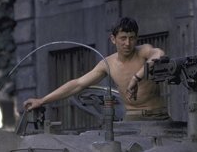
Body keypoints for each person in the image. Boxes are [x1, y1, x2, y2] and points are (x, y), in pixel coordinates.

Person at [23, 16, 167, 121]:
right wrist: (42, 101)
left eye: (132, 38)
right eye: (123, 38)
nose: (127, 43)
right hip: (131, 119)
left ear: (136, 38)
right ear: (113, 39)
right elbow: (77, 84)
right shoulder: (108, 64)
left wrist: (136, 78)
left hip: (158, 117)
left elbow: (159, 54)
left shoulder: (143, 52)